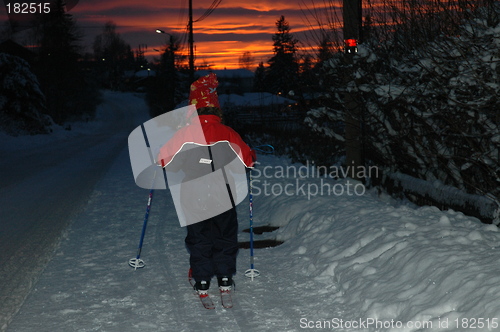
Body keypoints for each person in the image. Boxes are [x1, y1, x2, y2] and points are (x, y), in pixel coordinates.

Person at [157, 73, 256, 296]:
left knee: (199, 237)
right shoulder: (228, 133)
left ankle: (202, 281)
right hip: (224, 192)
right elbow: (246, 162)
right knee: (224, 235)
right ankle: (224, 278)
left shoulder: (184, 135)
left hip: (193, 193)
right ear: (216, 107)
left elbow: (166, 163)